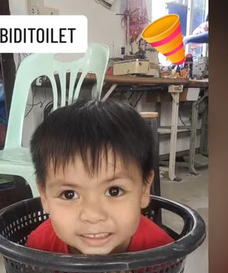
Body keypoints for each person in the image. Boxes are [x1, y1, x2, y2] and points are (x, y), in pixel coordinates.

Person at [26, 99, 173, 255]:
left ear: (144, 190)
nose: (93, 216)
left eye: (114, 191)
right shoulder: (40, 246)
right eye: (69, 194)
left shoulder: (159, 249)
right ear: (44, 197)